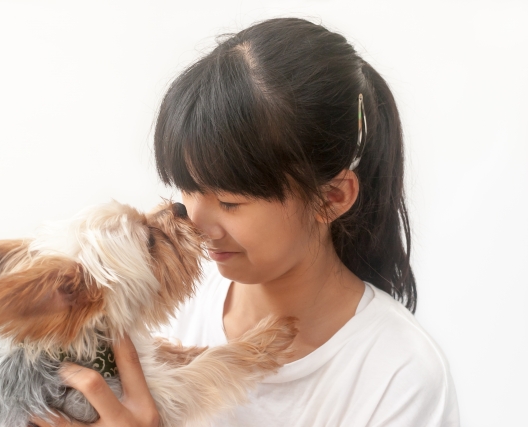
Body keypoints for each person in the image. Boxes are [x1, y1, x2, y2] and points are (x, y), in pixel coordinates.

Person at [31, 17, 459, 427]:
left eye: (229, 202)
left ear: (332, 197)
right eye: (186, 189)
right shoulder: (168, 304)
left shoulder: (398, 376)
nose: (195, 223)